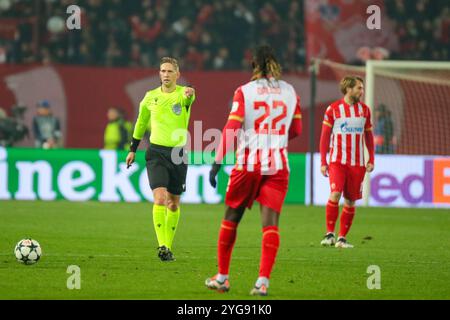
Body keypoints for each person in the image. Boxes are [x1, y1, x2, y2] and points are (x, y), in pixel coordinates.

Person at [205, 45, 303, 296]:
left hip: (248, 165)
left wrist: (217, 162)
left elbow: (231, 128)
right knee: (270, 225)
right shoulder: (291, 92)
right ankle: (262, 282)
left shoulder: (244, 92)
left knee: (231, 219)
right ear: (275, 65)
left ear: (254, 67)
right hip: (278, 166)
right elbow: (296, 131)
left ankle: (223, 278)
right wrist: (275, 140)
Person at [125, 57, 195, 262]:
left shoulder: (184, 94)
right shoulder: (149, 97)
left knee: (173, 204)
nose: (166, 74)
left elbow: (189, 98)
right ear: (159, 73)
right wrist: (132, 150)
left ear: (177, 74)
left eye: (170, 71)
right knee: (160, 199)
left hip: (178, 154)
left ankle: (168, 246)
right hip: (155, 152)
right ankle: (162, 246)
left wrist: (190, 93)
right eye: (163, 71)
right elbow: (140, 123)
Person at [319, 76, 375, 249]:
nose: (362, 91)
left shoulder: (364, 110)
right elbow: (324, 137)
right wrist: (323, 161)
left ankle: (342, 239)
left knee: (350, 201)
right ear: (348, 89)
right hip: (337, 161)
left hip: (357, 163)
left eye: (362, 88)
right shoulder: (333, 109)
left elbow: (369, 137)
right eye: (359, 88)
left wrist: (371, 158)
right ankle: (329, 234)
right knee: (335, 194)